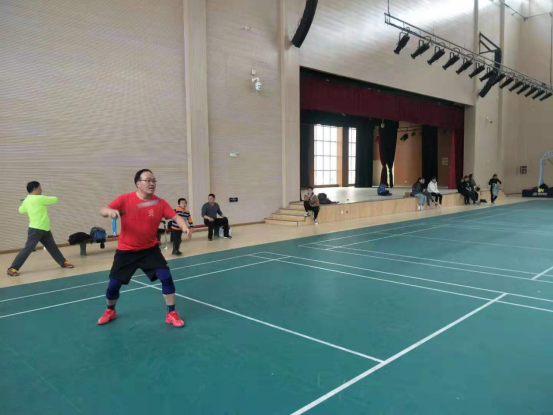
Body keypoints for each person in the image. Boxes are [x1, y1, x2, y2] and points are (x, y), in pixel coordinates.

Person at [97, 169, 192, 328]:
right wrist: (110, 211)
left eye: (154, 180)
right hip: (126, 251)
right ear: (138, 183)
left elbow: (175, 216)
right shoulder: (125, 199)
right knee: (113, 285)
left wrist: (184, 226)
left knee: (166, 277)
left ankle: (171, 313)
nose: (152, 183)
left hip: (150, 250)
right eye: (148, 180)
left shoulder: (160, 203)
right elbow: (102, 210)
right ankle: (110, 310)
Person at [7, 181, 74, 277]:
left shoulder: (27, 200)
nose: (41, 189)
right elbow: (55, 199)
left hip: (44, 229)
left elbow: (21, 210)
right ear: (35, 189)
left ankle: (63, 262)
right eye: (40, 188)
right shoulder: (40, 198)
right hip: (36, 230)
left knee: (52, 247)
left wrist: (26, 202)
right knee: (28, 249)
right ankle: (12, 268)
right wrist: (33, 201)